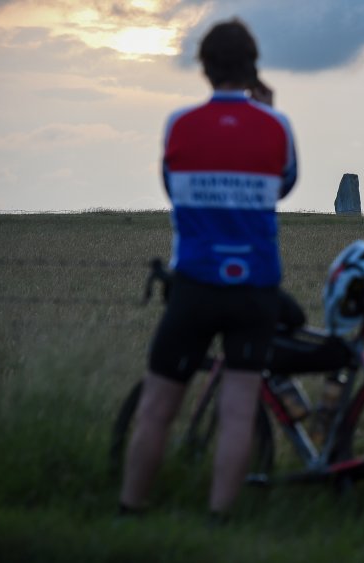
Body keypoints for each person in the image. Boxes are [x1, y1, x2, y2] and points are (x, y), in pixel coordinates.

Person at [119, 18, 297, 519]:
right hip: (255, 284)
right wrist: (264, 114)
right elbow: (283, 184)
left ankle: (131, 509)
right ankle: (220, 517)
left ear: (203, 67)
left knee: (156, 408)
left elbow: (174, 188)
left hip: (195, 282)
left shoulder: (180, 125)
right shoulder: (276, 126)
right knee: (238, 410)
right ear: (252, 65)